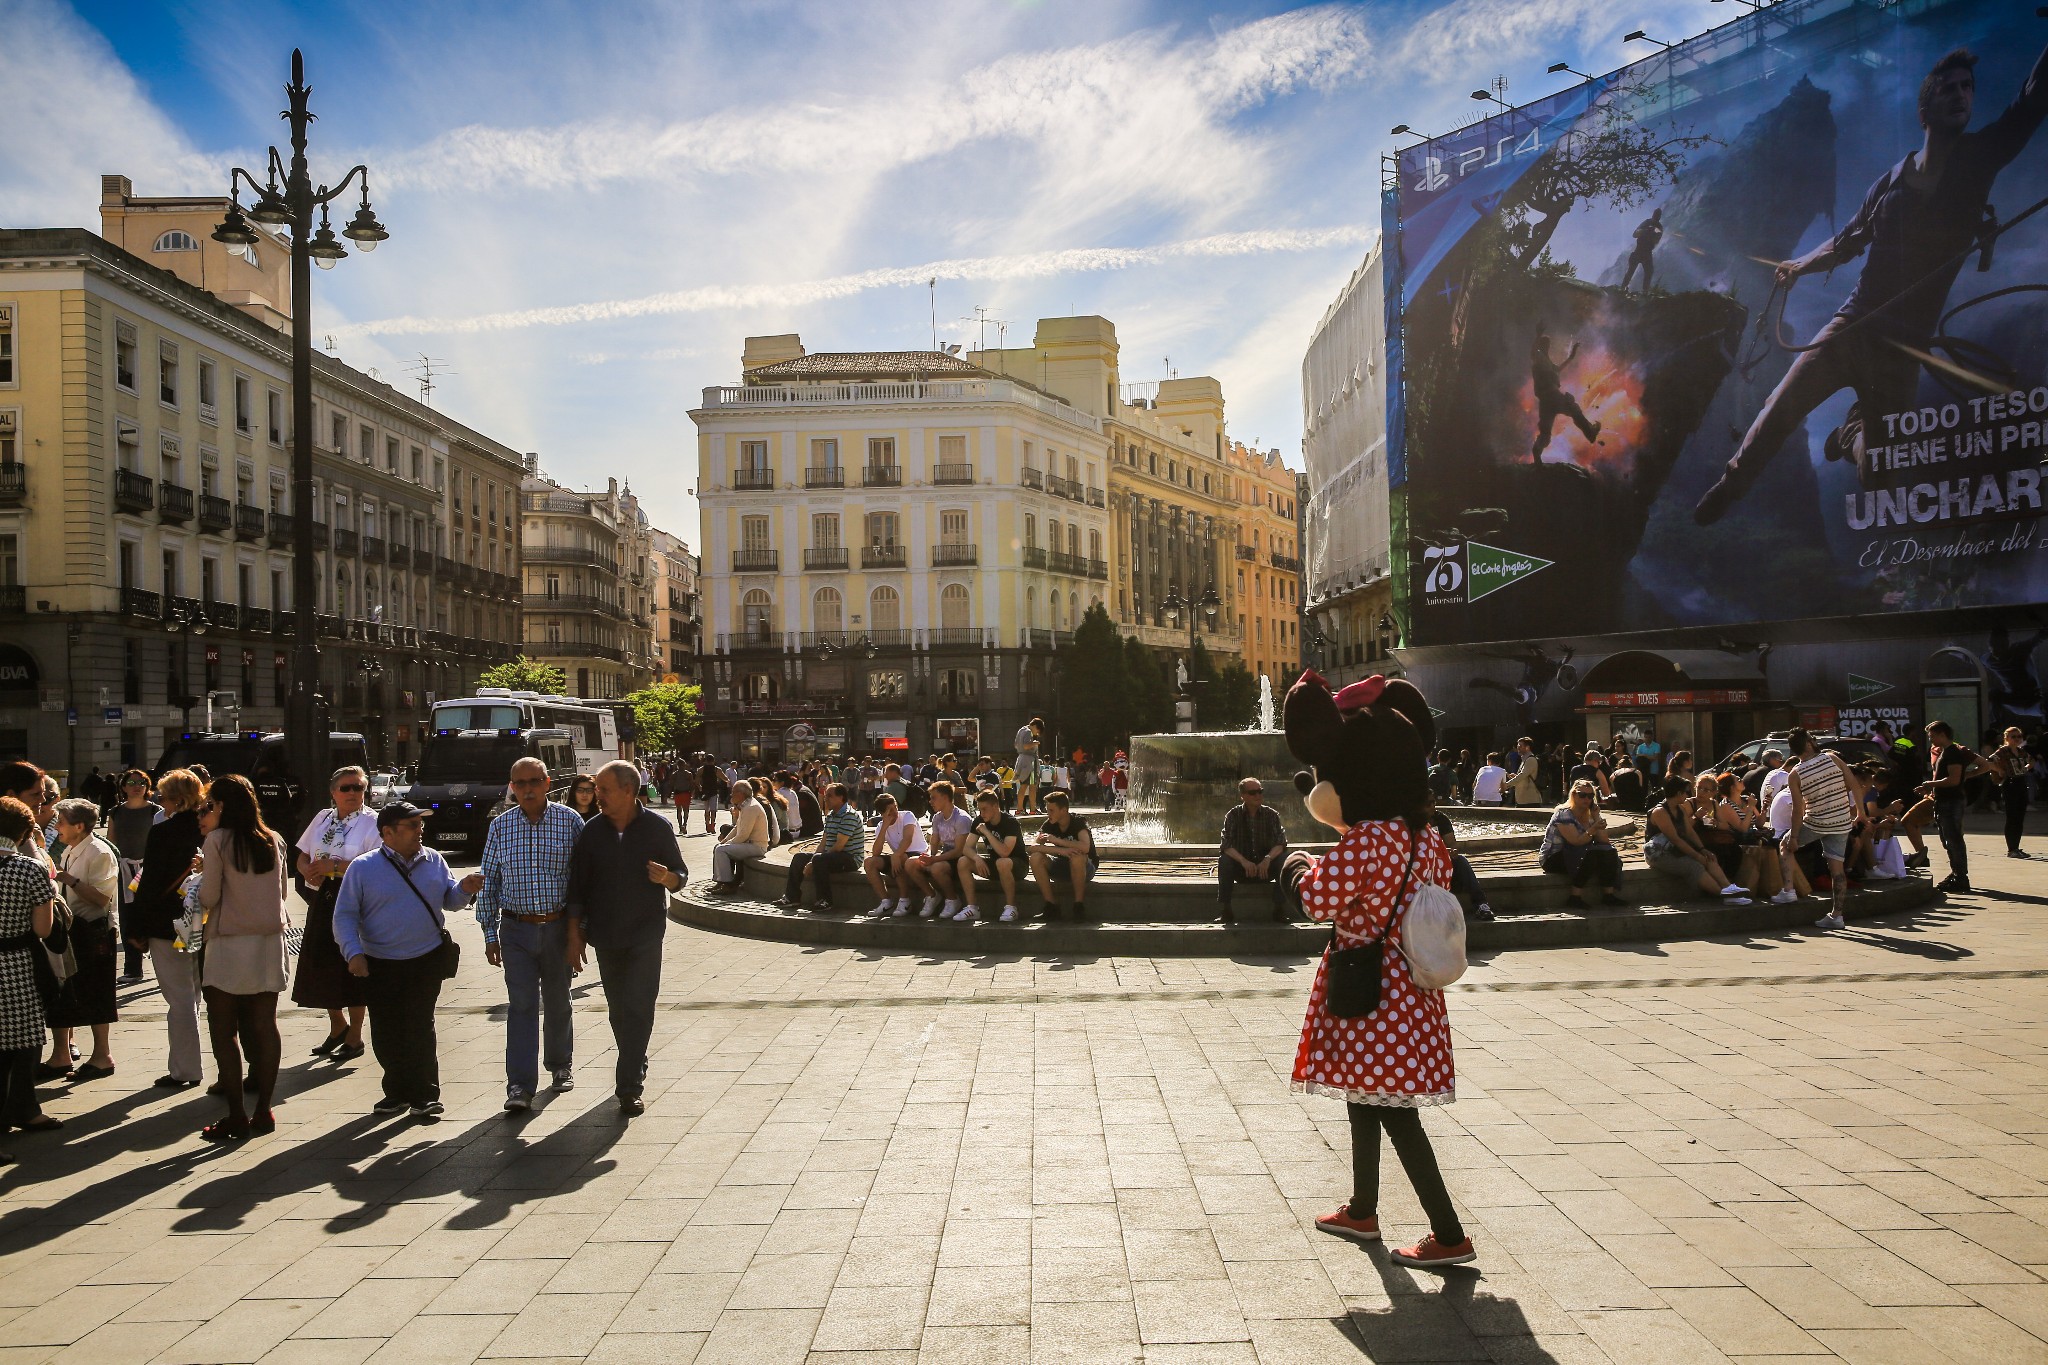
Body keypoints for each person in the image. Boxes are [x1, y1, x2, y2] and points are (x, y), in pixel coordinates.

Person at [1696, 42, 2048, 525]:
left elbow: (2029, 103)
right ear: (1927, 107)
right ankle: (1732, 484)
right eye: (1949, 88)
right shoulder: (1890, 183)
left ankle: (1850, 435)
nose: (1961, 95)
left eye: (1968, 88)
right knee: (1780, 409)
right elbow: (1845, 242)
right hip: (1852, 325)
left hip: (1905, 349)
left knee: (1877, 478)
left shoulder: (1980, 159)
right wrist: (1799, 264)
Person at [333, 800, 471, 1122]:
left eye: (421, 825)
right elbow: (345, 916)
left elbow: (449, 900)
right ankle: (396, 1092)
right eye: (412, 825)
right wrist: (353, 953)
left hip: (425, 959)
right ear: (388, 832)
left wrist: (464, 889)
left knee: (420, 1025)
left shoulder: (434, 860)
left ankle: (425, 1095)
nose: (420, 830)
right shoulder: (363, 868)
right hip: (380, 961)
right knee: (387, 1028)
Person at [566, 761, 687, 1116]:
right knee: (619, 1011)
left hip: (646, 934)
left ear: (629, 792)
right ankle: (636, 1056)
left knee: (639, 1006)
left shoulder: (656, 828)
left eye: (603, 790)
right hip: (605, 935)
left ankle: (628, 1085)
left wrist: (668, 878)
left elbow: (681, 873)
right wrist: (575, 937)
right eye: (595, 790)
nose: (596, 796)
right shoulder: (591, 832)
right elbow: (577, 889)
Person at [475, 757, 584, 1114]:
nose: (527, 789)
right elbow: (489, 880)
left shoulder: (570, 822)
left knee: (558, 1001)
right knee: (521, 1005)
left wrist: (578, 934)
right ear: (512, 787)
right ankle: (520, 1084)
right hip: (516, 929)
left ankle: (560, 1064)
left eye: (533, 781)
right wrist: (490, 933)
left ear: (548, 783)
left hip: (556, 927)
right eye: (519, 783)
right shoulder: (501, 827)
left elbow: (583, 881)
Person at [195, 775, 292, 1142]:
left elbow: (209, 896)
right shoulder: (273, 839)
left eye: (210, 804)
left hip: (228, 942)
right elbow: (281, 892)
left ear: (220, 805)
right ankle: (264, 1108)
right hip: (269, 942)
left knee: (225, 1030)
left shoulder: (217, 841)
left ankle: (236, 1114)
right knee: (265, 1025)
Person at [127, 769, 207, 1090]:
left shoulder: (163, 833)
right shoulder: (209, 830)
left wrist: (137, 927)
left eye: (162, 796)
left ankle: (185, 1069)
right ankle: (189, 1065)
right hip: (204, 920)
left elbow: (149, 884)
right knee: (195, 993)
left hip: (167, 924)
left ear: (177, 799)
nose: (160, 802)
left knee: (179, 998)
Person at [292, 767, 378, 1062]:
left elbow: (375, 863)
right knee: (323, 964)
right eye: (346, 788)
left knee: (350, 965)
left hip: (354, 899)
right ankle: (336, 1025)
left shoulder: (373, 823)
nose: (353, 793)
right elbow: (302, 854)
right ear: (333, 792)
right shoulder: (322, 818)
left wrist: (336, 868)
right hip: (323, 898)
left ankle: (355, 1034)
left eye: (358, 788)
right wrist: (307, 870)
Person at [0, 797, 61, 1153]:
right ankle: (23, 1108)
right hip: (16, 962)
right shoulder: (28, 869)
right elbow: (42, 928)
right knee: (23, 1040)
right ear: (24, 831)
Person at [46, 799, 120, 1083]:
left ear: (79, 826)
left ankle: (103, 1056)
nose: (57, 827)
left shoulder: (98, 851)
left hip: (94, 930)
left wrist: (70, 880)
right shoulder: (71, 849)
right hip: (73, 929)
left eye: (61, 821)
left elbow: (102, 899)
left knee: (97, 990)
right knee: (72, 990)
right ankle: (62, 1054)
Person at [1776, 728, 1865, 930]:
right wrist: (1860, 813)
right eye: (1811, 738)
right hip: (1841, 821)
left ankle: (1788, 890)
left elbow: (1798, 810)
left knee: (1785, 845)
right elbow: (1854, 784)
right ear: (1808, 744)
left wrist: (1795, 837)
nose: (1814, 740)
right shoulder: (1832, 758)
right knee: (1837, 870)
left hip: (1816, 821)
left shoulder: (1795, 774)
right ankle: (1837, 915)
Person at [1644, 777, 1752, 903]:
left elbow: (1689, 832)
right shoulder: (1660, 812)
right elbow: (1676, 839)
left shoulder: (1679, 809)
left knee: (1709, 857)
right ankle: (1724, 896)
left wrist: (1702, 850)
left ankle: (1728, 888)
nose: (1688, 795)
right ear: (1679, 793)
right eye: (1686, 792)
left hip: (1673, 849)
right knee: (1694, 865)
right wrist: (1697, 855)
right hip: (1659, 853)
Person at [1917, 719, 1981, 895]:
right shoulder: (1945, 752)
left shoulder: (1952, 753)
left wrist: (1930, 784)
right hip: (1945, 801)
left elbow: (1953, 780)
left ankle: (1961, 878)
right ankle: (1956, 874)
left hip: (1951, 802)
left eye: (1932, 736)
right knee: (1949, 840)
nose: (1931, 740)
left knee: (1954, 840)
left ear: (1942, 734)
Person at [105, 770, 157, 985]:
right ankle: (133, 968)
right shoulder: (115, 812)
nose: (137, 786)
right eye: (132, 782)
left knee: (152, 916)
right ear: (124, 787)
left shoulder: (156, 811)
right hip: (124, 870)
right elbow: (111, 842)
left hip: (150, 870)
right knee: (127, 919)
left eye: (142, 782)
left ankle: (161, 963)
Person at [780, 783, 863, 912]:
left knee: (819, 859)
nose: (825, 799)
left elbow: (839, 846)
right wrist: (812, 858)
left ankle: (825, 900)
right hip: (831, 856)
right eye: (825, 796)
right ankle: (792, 897)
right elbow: (823, 843)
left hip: (850, 858)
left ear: (841, 798)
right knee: (799, 857)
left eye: (830, 796)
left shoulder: (849, 815)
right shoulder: (830, 815)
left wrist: (814, 861)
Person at [1541, 781, 1624, 908]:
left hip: (1579, 852)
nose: (1587, 799)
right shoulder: (1563, 814)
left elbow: (1604, 841)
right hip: (1554, 857)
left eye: (1590, 796)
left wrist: (1596, 817)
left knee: (1609, 851)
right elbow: (1575, 841)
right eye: (1582, 795)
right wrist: (1593, 829)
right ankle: (1575, 897)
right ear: (1574, 795)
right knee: (1590, 855)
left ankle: (1608, 894)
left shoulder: (1589, 814)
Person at [1218, 777, 1289, 924]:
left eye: (1260, 791)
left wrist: (1267, 859)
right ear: (1243, 796)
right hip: (1242, 869)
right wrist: (1243, 861)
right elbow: (1226, 845)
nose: (1258, 796)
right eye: (1253, 793)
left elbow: (1281, 843)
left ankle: (1279, 909)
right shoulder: (1233, 815)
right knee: (1224, 861)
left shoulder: (1271, 815)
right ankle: (1226, 910)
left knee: (1284, 859)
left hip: (1265, 869)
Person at [1528, 325, 1602, 461]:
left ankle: (1537, 451)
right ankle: (1590, 432)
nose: (1547, 347)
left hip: (1545, 401)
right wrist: (1538, 335)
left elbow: (1558, 368)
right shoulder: (1539, 357)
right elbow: (1533, 353)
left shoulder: (1546, 362)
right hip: (1552, 396)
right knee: (1573, 409)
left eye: (1547, 345)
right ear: (1541, 345)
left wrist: (1571, 356)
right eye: (1545, 345)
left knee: (1545, 433)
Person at [1028, 790, 1097, 921]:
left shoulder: (1078, 821)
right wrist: (1061, 851)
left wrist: (1057, 841)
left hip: (1085, 868)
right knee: (1036, 857)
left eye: (1051, 810)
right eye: (1047, 810)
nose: (1048, 814)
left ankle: (1078, 906)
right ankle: (1051, 905)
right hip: (1061, 866)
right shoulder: (1049, 824)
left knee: (1077, 856)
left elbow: (1085, 847)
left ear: (1064, 810)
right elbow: (1032, 848)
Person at [1424, 791, 1494, 920]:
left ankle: (1481, 904)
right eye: (1428, 804)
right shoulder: (1410, 823)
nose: (1433, 806)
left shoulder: (1440, 819)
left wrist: (1450, 851)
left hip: (1441, 864)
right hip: (1423, 868)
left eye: (1433, 802)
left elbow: (1452, 844)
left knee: (1461, 861)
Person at [957, 789, 1022, 924]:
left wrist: (987, 832)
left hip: (1017, 866)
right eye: (980, 809)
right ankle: (972, 908)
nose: (982, 813)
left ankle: (1011, 907)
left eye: (985, 809)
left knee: (1002, 862)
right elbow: (965, 847)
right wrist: (977, 858)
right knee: (963, 862)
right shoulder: (979, 820)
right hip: (996, 864)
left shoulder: (1010, 822)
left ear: (995, 806)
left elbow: (1005, 852)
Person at [913, 781, 975, 919]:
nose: (930, 801)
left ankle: (952, 899)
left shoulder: (962, 818)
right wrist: (928, 855)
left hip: (961, 859)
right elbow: (933, 843)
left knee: (937, 868)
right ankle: (932, 895)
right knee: (911, 864)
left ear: (945, 798)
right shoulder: (937, 817)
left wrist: (934, 859)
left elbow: (959, 851)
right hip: (945, 856)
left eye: (933, 797)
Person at [863, 792, 930, 917]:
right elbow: (876, 852)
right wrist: (884, 827)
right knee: (869, 862)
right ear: (882, 813)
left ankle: (905, 901)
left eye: (895, 807)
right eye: (890, 810)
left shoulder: (907, 816)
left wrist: (896, 855)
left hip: (918, 853)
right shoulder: (881, 826)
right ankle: (886, 901)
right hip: (900, 855)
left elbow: (908, 838)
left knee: (900, 858)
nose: (895, 811)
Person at [707, 781, 770, 894]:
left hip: (756, 846)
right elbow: (737, 827)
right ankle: (720, 881)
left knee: (721, 850)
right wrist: (725, 841)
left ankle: (727, 884)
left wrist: (726, 844)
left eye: (733, 792)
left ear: (741, 794)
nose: (731, 794)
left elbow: (743, 835)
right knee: (719, 847)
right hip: (749, 844)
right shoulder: (746, 805)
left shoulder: (751, 807)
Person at [1992, 726, 2032, 859]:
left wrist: (2026, 767)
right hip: (2009, 784)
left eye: (2019, 736)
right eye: (2013, 737)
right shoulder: (2003, 751)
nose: (2016, 739)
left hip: (2021, 783)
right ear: (2007, 738)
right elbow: (1990, 760)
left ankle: (2016, 847)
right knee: (2012, 816)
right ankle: (2011, 848)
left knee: (2020, 817)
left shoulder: (2021, 752)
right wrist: (1999, 771)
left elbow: (2031, 761)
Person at [1620, 206, 1663, 292]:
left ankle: (1644, 292)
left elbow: (1657, 240)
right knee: (1631, 271)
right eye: (1656, 215)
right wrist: (1645, 231)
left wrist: (1653, 234)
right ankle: (1622, 289)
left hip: (1647, 252)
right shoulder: (1647, 223)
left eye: (1657, 215)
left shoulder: (1658, 227)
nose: (1656, 217)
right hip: (1639, 250)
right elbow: (1635, 234)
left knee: (1649, 272)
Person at [1015, 718, 1044, 815]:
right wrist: (1035, 743)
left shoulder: (1021, 730)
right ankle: (1032, 809)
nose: (1037, 733)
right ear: (1035, 726)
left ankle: (1020, 809)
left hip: (1022, 759)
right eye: (1038, 731)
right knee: (1032, 786)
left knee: (1024, 785)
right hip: (1030, 761)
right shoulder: (1028, 732)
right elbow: (1026, 746)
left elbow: (1016, 745)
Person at [695, 756, 727, 836]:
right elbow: (725, 778)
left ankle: (707, 824)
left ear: (706, 760)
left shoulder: (701, 769)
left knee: (706, 809)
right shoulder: (717, 769)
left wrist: (700, 787)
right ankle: (712, 825)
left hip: (705, 791)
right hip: (713, 791)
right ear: (714, 760)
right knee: (713, 810)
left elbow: (697, 780)